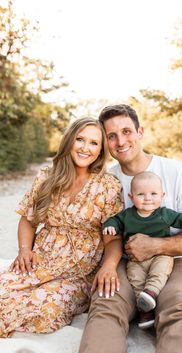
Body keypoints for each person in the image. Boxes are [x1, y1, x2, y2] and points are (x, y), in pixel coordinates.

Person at [79, 104, 182, 353]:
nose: (121, 141)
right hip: (126, 262)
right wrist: (108, 265)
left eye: (127, 131)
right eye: (112, 136)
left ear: (140, 132)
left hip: (176, 260)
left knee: (177, 308)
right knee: (106, 305)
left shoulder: (176, 172)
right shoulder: (107, 180)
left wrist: (156, 246)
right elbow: (109, 231)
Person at [0, 117, 123, 337]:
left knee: (46, 308)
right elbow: (28, 219)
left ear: (101, 149)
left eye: (94, 143)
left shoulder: (108, 186)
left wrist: (109, 266)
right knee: (3, 289)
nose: (86, 148)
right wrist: (25, 250)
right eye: (80, 139)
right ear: (69, 141)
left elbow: (112, 238)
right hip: (40, 259)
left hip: (78, 273)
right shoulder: (47, 176)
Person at [102, 171, 182, 329]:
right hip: (135, 259)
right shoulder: (128, 215)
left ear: (162, 195)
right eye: (141, 194)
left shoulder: (164, 214)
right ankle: (145, 311)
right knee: (135, 279)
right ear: (131, 197)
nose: (148, 198)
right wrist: (110, 226)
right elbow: (114, 220)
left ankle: (151, 292)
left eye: (153, 193)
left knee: (160, 271)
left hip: (160, 255)